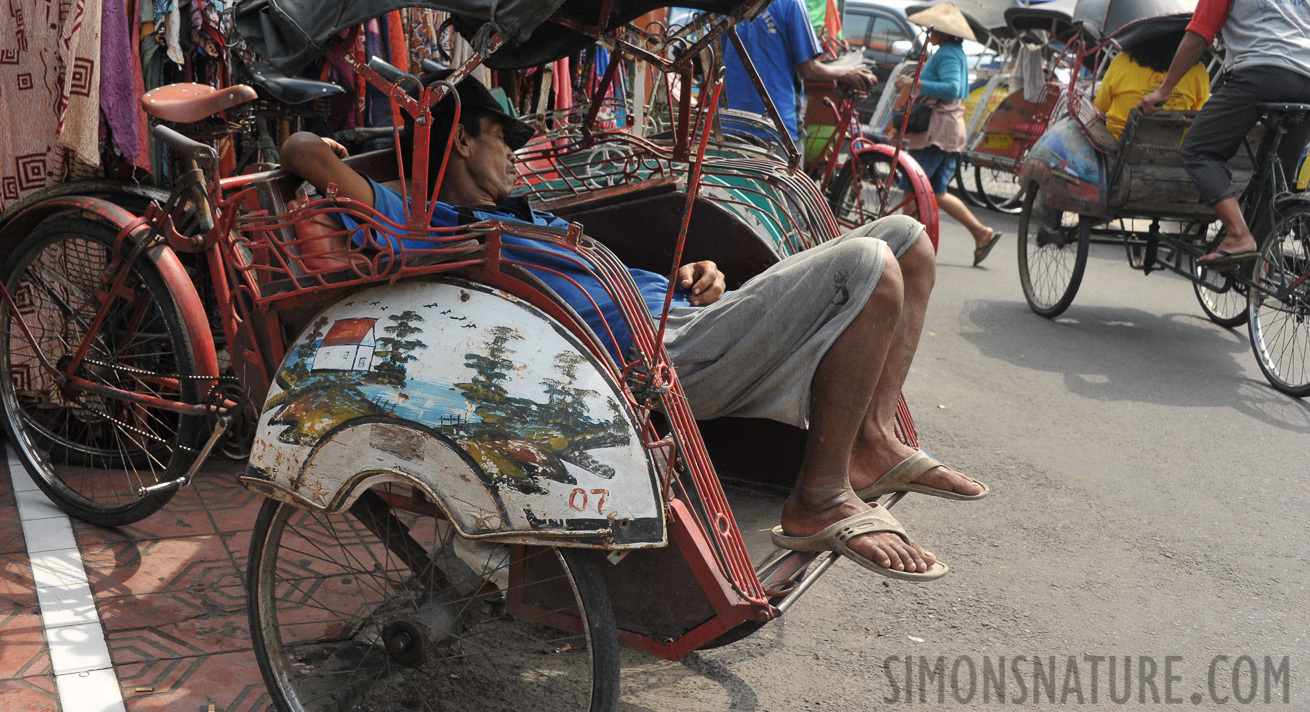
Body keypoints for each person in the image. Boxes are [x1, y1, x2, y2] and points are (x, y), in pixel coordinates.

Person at [280, 73, 988, 583]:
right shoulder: (429, 220)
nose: (513, 156)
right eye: (502, 141)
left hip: (683, 315)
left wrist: (698, 275)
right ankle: (818, 496)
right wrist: (367, 150)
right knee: (866, 261)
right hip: (648, 362)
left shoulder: (530, 214)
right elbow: (301, 150)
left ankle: (873, 442)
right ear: (463, 142)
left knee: (906, 239)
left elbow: (631, 276)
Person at [1136, 0, 1310, 268]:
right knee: (1278, 176)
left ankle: (1238, 235)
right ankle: (1261, 260)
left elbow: (1199, 35)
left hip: (1260, 75)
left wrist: (1164, 90)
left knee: (1199, 150)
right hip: (1308, 83)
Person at [887, 3, 1002, 267]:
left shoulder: (948, 54)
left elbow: (951, 88)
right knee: (936, 192)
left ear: (944, 32)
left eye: (933, 29)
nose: (929, 33)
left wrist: (914, 83)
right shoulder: (952, 52)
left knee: (912, 189)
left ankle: (902, 249)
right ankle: (981, 232)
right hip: (946, 130)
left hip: (936, 132)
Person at [720, 0, 876, 142]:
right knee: (792, 165)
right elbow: (808, 68)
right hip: (776, 123)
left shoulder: (728, 0)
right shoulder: (791, 1)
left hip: (729, 121)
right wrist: (845, 72)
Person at [1095, 30, 1210, 139]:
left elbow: (1100, 106)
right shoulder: (1199, 72)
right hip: (1169, 148)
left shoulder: (1122, 61)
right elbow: (1198, 117)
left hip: (1116, 142)